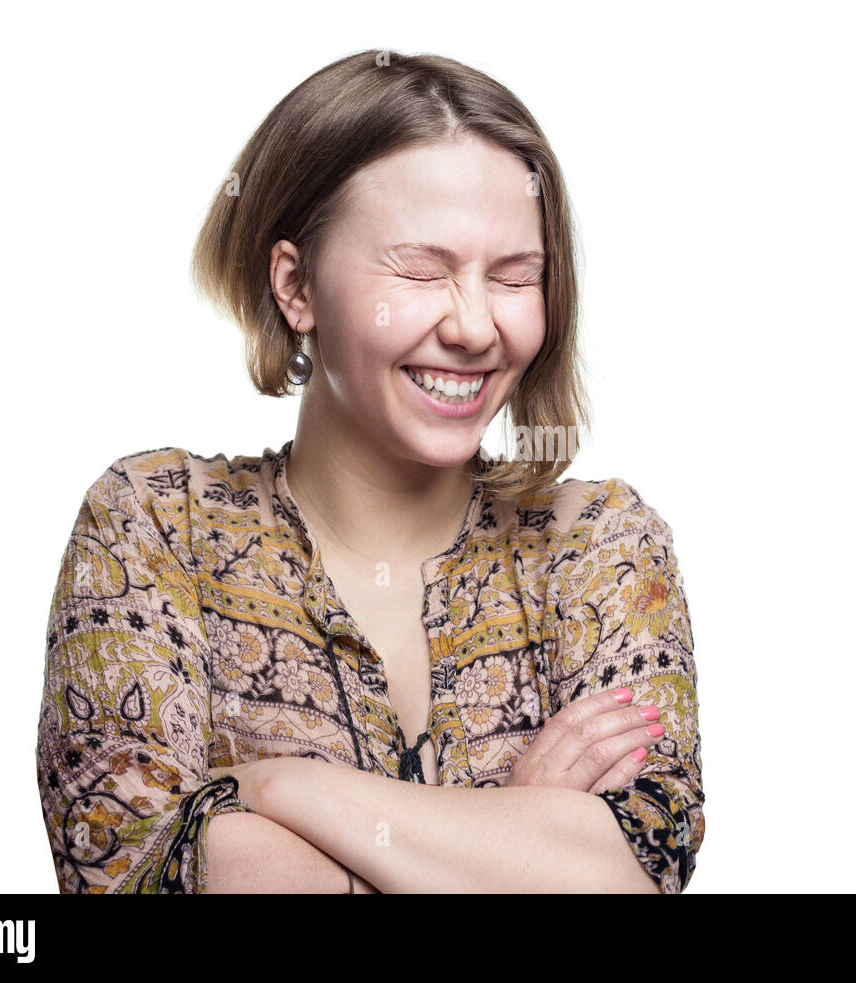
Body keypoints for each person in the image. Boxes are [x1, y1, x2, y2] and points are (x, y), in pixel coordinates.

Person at [35, 49, 704, 894]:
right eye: (422, 270)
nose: (472, 325)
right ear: (296, 286)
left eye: (514, 276)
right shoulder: (156, 525)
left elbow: (631, 873)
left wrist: (278, 788)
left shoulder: (599, 547)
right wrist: (513, 836)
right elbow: (136, 872)